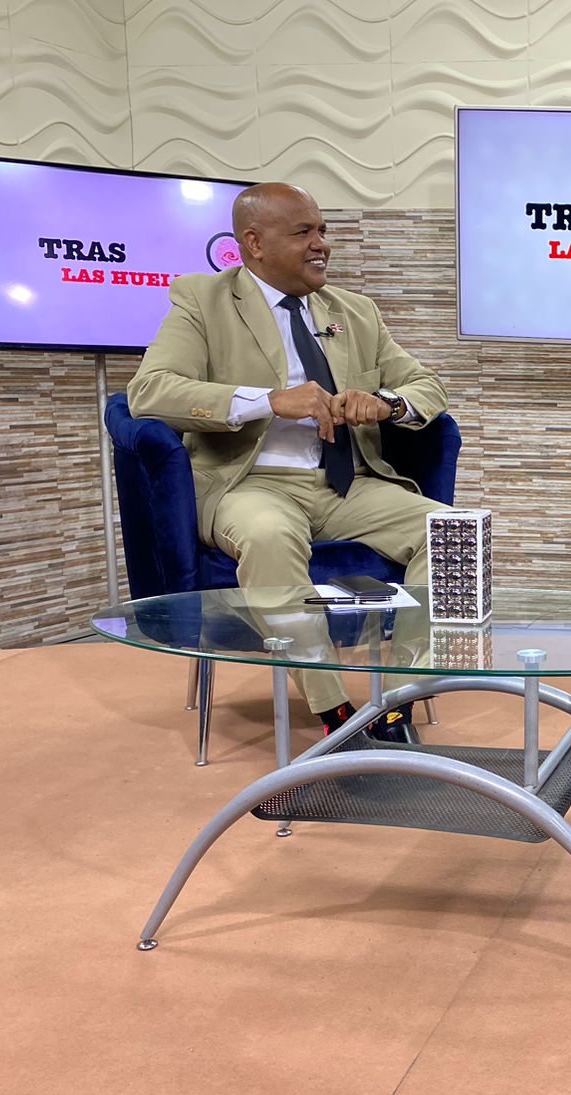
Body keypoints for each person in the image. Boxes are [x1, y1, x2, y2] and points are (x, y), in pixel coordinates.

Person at [128, 181, 451, 741]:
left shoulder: (354, 311)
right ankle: (336, 713)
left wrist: (386, 403)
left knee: (452, 531)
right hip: (250, 483)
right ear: (254, 243)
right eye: (304, 232)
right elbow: (150, 392)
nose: (321, 244)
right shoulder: (202, 299)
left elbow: (428, 387)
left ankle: (399, 700)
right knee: (269, 536)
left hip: (348, 484)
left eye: (322, 230)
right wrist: (269, 400)